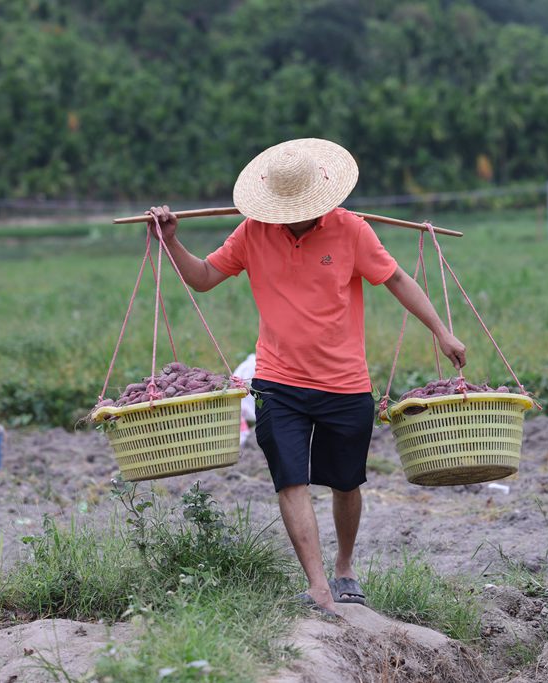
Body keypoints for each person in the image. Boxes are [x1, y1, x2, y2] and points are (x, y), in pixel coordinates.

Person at [148, 138, 465, 617]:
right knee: (290, 481)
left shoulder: (351, 230)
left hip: (345, 382)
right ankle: (317, 586)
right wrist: (171, 240)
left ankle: (343, 569)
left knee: (345, 483)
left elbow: (397, 278)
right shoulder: (253, 232)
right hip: (277, 381)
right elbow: (205, 277)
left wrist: (441, 330)